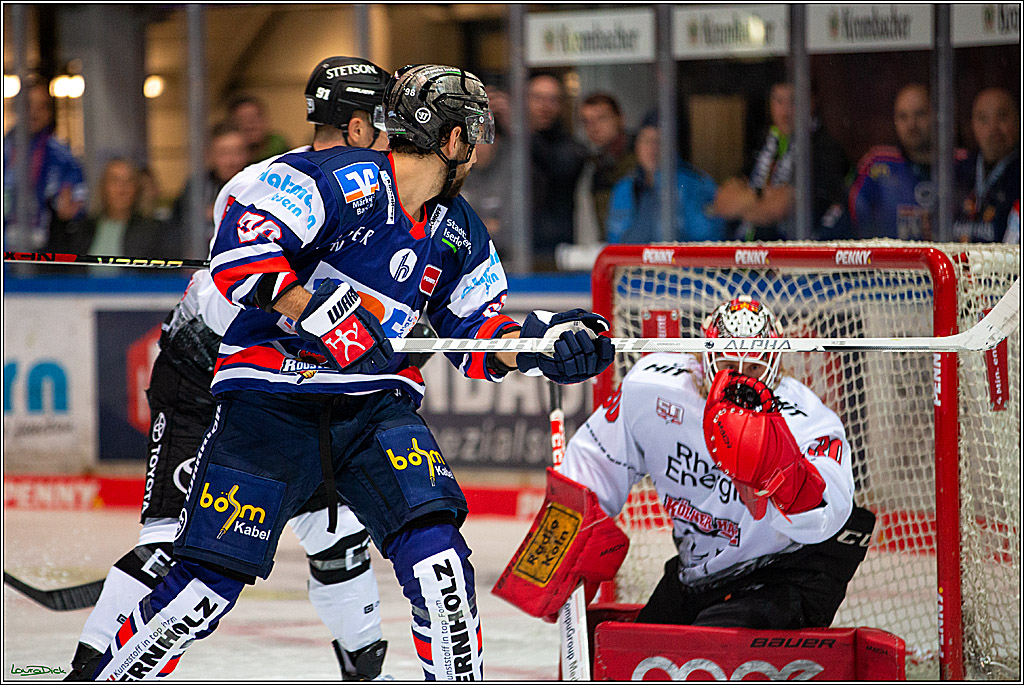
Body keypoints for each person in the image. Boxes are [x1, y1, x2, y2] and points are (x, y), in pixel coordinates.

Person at [85, 63, 614, 681]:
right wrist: (313, 310)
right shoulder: (336, 179)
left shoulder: (459, 228)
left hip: (373, 412)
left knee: (440, 570)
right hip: (271, 403)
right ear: (450, 140)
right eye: (472, 136)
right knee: (199, 594)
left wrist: (539, 346)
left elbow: (475, 333)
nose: (476, 152)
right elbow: (239, 252)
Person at [64, 57, 395, 682]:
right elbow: (253, 267)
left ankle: (367, 670)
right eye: (386, 122)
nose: (394, 137)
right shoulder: (275, 182)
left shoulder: (356, 191)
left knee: (338, 539)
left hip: (288, 385)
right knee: (176, 549)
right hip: (205, 374)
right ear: (358, 126)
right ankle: (89, 672)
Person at [553, 297, 873, 629]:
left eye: (754, 368)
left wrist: (780, 469)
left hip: (787, 570)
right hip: (700, 576)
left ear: (774, 362)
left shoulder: (806, 420)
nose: (741, 379)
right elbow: (596, 460)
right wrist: (567, 529)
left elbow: (832, 513)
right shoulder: (653, 387)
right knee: (634, 646)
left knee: (706, 644)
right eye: (729, 364)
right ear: (706, 356)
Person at [713, 82, 851, 241]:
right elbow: (722, 202)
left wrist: (744, 203)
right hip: (749, 251)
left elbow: (779, 208)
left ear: (811, 102)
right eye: (778, 101)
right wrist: (761, 194)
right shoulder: (768, 141)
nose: (785, 110)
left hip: (799, 251)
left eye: (793, 101)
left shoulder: (823, 147)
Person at [606, 113, 725, 244]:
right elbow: (614, 240)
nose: (652, 148)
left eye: (659, 141)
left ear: (672, 145)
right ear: (637, 145)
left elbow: (707, 241)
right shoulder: (624, 187)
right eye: (646, 140)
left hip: (677, 257)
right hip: (635, 257)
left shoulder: (696, 184)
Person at [2, 79, 88, 250]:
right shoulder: (5, 150)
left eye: (42, 107)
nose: (34, 112)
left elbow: (78, 205)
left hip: (46, 248)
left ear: (50, 112)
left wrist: (70, 209)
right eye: (29, 105)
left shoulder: (62, 156)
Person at [848, 84, 935, 240]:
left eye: (920, 114)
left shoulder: (962, 165)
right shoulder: (877, 163)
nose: (911, 124)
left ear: (937, 115)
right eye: (903, 116)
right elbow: (849, 219)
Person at [48, 157, 163, 261]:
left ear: (137, 188)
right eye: (115, 180)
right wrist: (62, 222)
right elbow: (58, 264)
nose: (121, 189)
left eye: (128, 181)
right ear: (103, 187)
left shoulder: (153, 231)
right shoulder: (84, 229)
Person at [528, 73, 588, 269]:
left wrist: (518, 130)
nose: (544, 106)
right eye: (538, 98)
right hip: (508, 250)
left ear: (562, 106)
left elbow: (557, 166)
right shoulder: (508, 143)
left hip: (556, 255)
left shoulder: (572, 148)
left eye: (552, 99)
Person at [953, 87, 1020, 243]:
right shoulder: (959, 172)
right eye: (983, 119)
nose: (993, 128)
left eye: (1002, 117)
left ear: (1017, 121)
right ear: (973, 125)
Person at [167, 122, 249, 248]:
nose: (232, 160)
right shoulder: (197, 186)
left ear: (247, 154)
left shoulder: (259, 185)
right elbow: (177, 228)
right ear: (211, 155)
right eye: (224, 153)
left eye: (237, 152)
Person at [576, 92, 636, 243]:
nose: (594, 127)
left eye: (602, 118)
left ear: (620, 118)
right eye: (587, 122)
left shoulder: (641, 156)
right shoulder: (596, 164)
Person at [228, 93, 292, 164]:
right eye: (243, 119)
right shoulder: (229, 160)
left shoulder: (281, 148)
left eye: (255, 118)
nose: (251, 125)